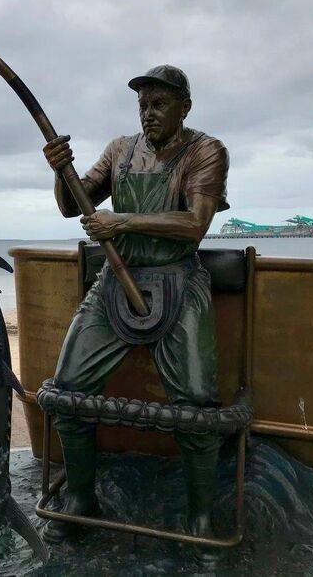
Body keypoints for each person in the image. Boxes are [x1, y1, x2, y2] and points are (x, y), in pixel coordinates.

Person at [41, 65, 230, 542]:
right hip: (113, 285)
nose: (149, 114)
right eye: (143, 105)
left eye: (159, 104)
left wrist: (121, 223)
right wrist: (60, 172)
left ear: (184, 107)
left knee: (198, 410)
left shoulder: (206, 151)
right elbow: (72, 204)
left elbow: (195, 224)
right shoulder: (120, 151)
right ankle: (81, 495)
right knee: (67, 394)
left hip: (177, 282)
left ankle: (200, 515)